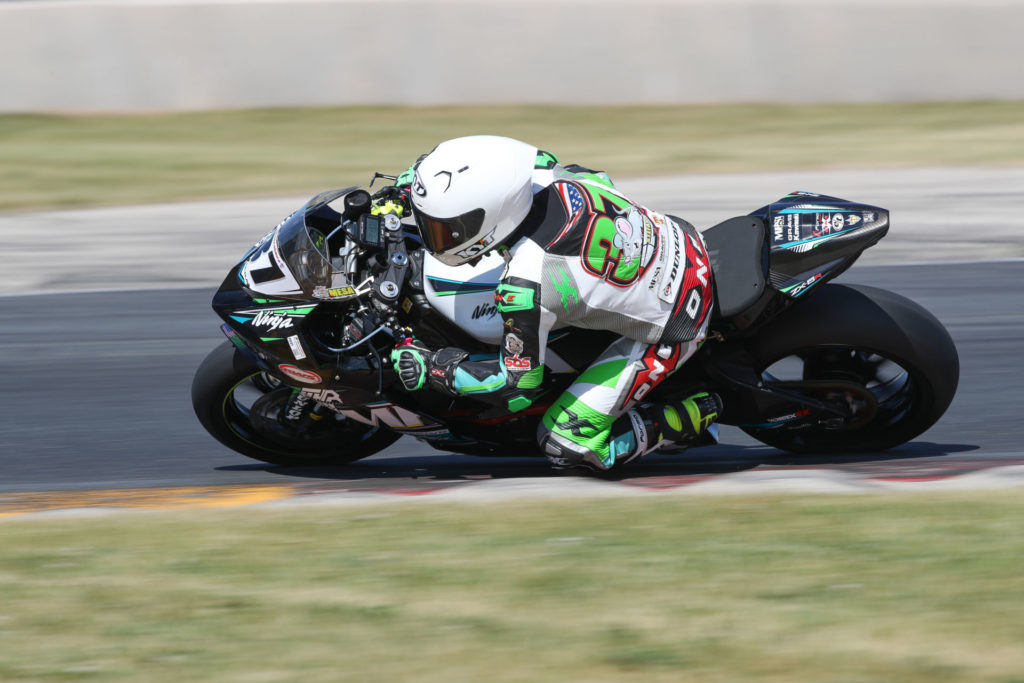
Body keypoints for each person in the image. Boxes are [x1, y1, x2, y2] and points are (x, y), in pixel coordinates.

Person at [390, 135, 721, 471]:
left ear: (489, 221)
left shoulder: (526, 282)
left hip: (679, 318)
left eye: (444, 228)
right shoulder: (540, 173)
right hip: (679, 238)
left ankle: (694, 413)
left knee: (565, 444)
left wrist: (435, 368)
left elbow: (517, 386)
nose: (435, 235)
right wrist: (413, 186)